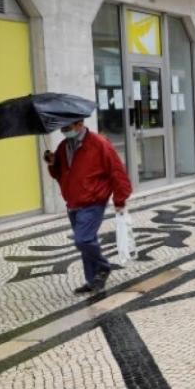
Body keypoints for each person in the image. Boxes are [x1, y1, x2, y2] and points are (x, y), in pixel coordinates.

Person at [43, 119, 132, 295]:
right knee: (86, 243)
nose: (64, 131)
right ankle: (93, 281)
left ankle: (103, 267)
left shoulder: (99, 143)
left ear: (79, 123)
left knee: (82, 240)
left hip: (93, 201)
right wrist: (52, 163)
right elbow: (59, 174)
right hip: (73, 202)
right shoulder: (63, 146)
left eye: (67, 127)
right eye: (62, 128)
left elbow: (117, 171)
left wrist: (120, 200)